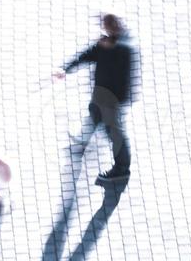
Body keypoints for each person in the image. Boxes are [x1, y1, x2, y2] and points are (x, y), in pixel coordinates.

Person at [53, 13, 137, 183]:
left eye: (107, 25)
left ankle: (122, 168)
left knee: (114, 132)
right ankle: (82, 142)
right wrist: (66, 68)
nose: (104, 28)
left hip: (113, 99)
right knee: (94, 114)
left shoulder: (123, 46)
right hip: (101, 95)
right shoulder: (107, 43)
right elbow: (86, 55)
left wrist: (110, 46)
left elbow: (122, 67)